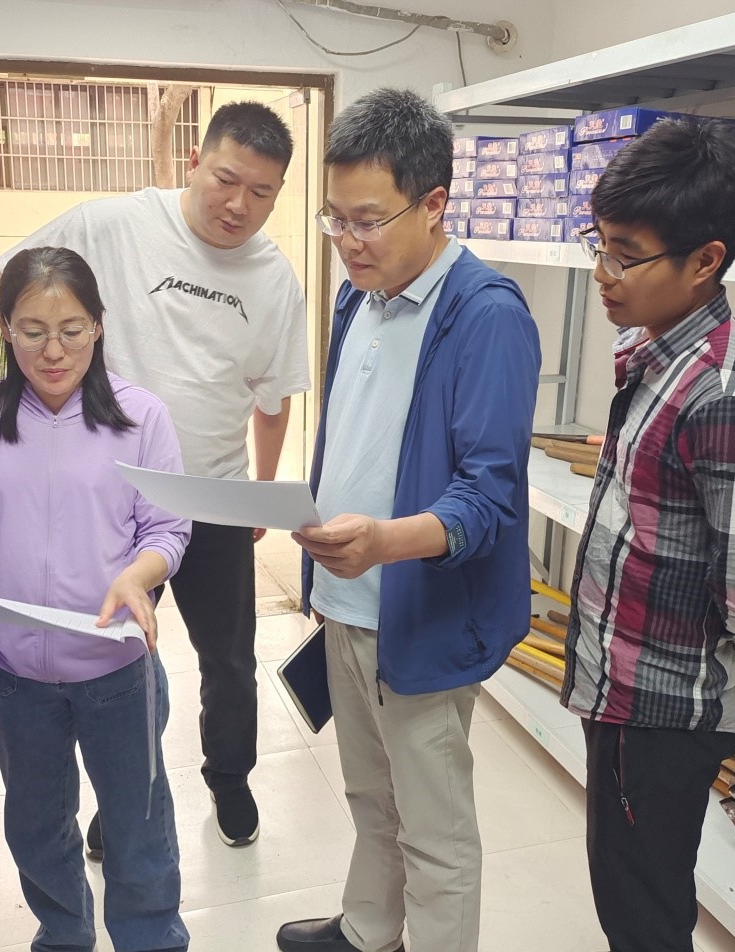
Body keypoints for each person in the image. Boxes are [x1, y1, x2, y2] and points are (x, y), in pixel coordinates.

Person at [0, 101, 309, 848]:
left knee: (230, 660)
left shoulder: (274, 278)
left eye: (262, 192)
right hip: (116, 498)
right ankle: (122, 792)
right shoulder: (111, 224)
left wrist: (260, 495)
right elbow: (0, 284)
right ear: (195, 162)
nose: (239, 204)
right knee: (117, 652)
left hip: (213, 495)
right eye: (226, 179)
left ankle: (229, 779)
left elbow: (273, 399)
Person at [279, 88, 540, 952]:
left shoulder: (486, 315)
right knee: (370, 795)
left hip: (420, 610)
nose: (348, 241)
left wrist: (384, 543)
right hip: (348, 600)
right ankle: (368, 929)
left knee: (435, 827)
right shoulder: (361, 295)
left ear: (434, 204)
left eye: (368, 220)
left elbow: (488, 498)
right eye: (335, 219)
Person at [561, 119, 735, 952]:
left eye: (626, 255)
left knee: (645, 910)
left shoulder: (728, 396)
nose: (603, 272)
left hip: (662, 709)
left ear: (705, 260)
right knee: (628, 884)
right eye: (600, 245)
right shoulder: (655, 352)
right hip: (625, 688)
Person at [0, 247, 191, 952]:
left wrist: (139, 576)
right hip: (13, 675)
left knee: (138, 827)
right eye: (33, 331)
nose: (54, 351)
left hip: (116, 667)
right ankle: (63, 936)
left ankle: (151, 940)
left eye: (72, 330)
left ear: (99, 326)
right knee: (36, 825)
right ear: (5, 329)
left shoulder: (141, 416)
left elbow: (166, 529)